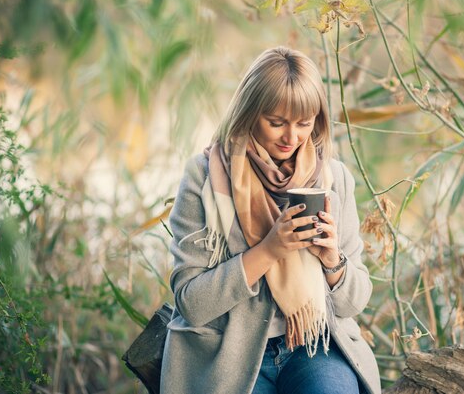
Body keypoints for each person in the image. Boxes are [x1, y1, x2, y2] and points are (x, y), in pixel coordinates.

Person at [160, 46, 381, 394]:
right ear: (249, 113)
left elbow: (353, 303)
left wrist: (333, 260)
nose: (291, 138)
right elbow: (191, 303)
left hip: (314, 346)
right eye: (276, 123)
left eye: (303, 124)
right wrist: (269, 249)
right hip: (227, 355)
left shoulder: (334, 179)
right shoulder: (205, 177)